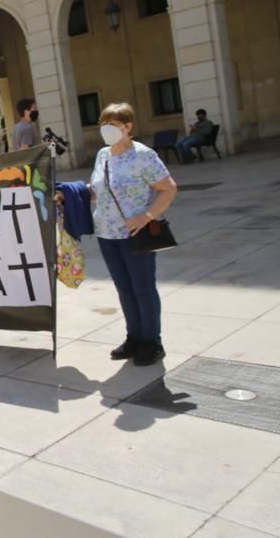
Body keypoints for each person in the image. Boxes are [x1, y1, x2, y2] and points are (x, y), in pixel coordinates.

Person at [90, 103, 178, 366]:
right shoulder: (102, 155)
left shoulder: (143, 156)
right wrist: (70, 194)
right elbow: (98, 190)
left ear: (128, 127)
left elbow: (169, 189)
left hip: (135, 233)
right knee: (124, 288)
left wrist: (146, 216)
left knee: (143, 288)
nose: (107, 130)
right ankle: (134, 337)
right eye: (103, 125)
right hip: (106, 233)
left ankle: (152, 341)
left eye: (113, 125)